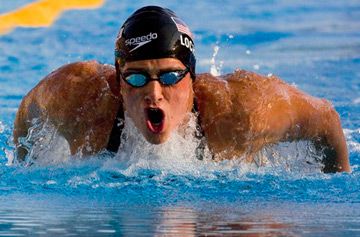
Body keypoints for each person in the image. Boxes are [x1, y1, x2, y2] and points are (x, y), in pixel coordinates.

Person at [13, 6, 350, 172]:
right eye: (137, 77)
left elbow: (327, 119)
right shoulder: (79, 101)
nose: (154, 92)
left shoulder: (243, 112)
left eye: (170, 76)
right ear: (118, 81)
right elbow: (27, 110)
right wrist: (25, 166)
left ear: (192, 77)